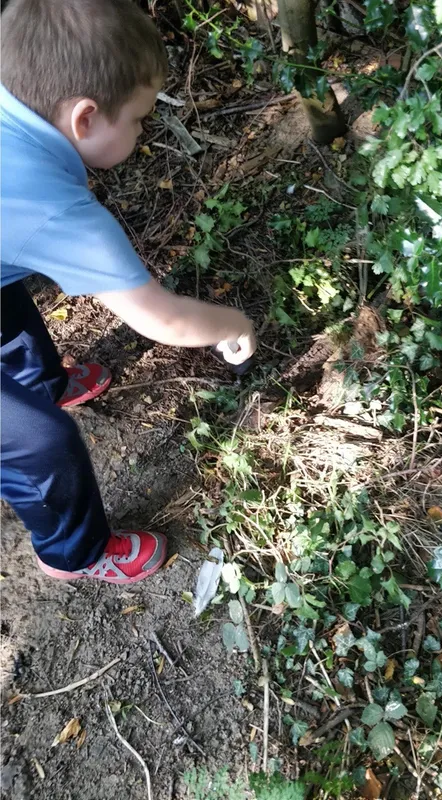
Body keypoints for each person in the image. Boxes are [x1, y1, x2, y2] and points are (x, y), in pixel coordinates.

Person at [0, 0, 256, 584]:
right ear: (85, 118)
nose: (144, 129)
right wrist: (234, 325)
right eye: (140, 118)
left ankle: (45, 382)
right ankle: (73, 552)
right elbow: (164, 318)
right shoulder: (53, 208)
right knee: (38, 443)